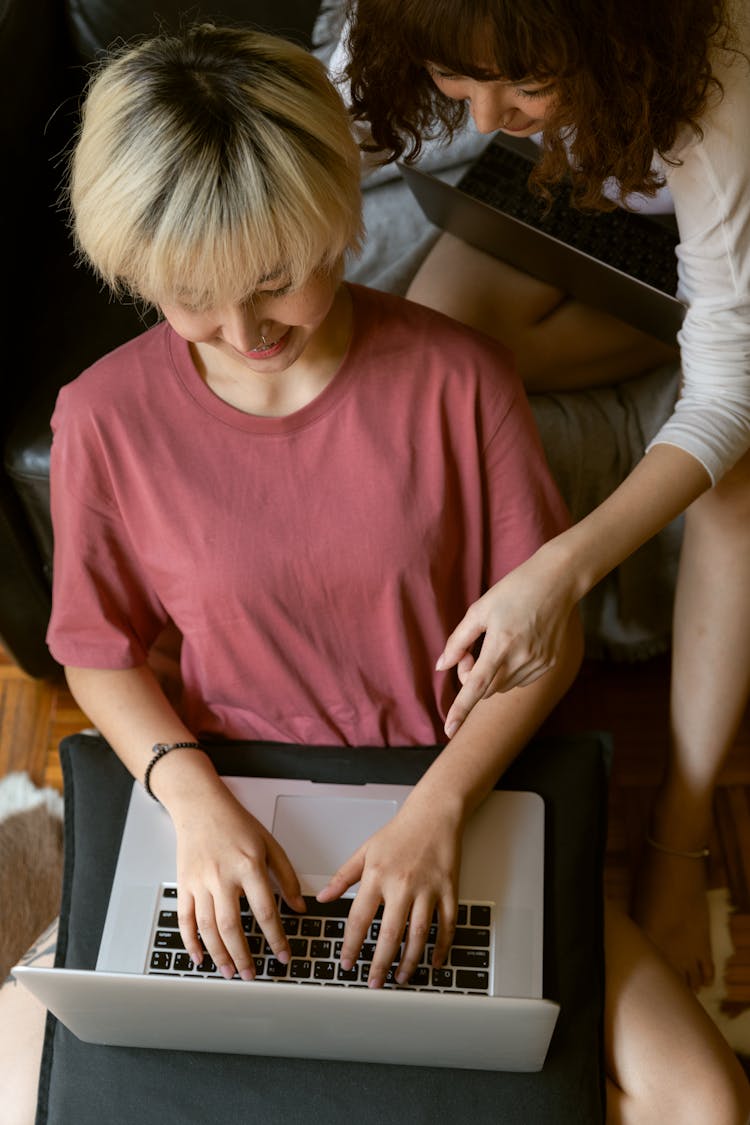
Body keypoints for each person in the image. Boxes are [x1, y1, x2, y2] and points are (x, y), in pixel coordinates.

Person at [42, 23, 749, 1122]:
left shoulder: (459, 378)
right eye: (189, 296)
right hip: (230, 806)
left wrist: (440, 811)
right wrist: (192, 802)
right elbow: (94, 650)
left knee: (705, 1098)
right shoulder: (101, 416)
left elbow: (544, 643)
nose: (239, 329)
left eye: (274, 280)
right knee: (26, 1079)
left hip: (454, 794)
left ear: (332, 219)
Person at [341, 0, 750, 992]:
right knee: (431, 353)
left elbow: (730, 400)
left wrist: (558, 570)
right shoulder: (417, 29)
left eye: (525, 86)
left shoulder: (715, 91)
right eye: (460, 82)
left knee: (735, 483)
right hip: (599, 187)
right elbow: (322, 128)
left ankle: (680, 832)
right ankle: (673, 324)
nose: (486, 120)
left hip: (703, 180)